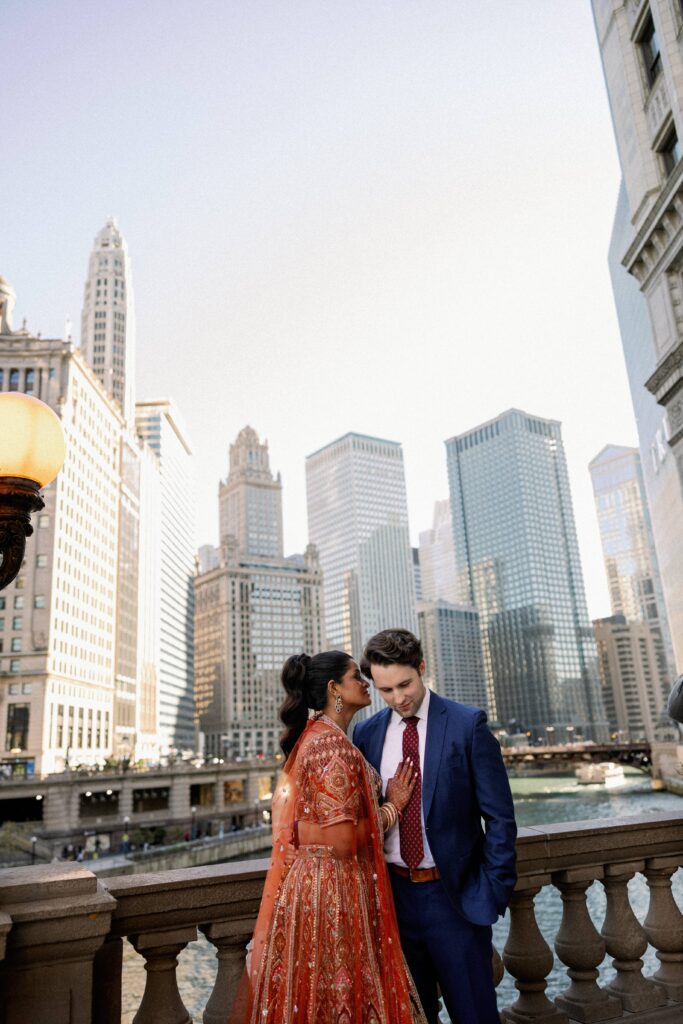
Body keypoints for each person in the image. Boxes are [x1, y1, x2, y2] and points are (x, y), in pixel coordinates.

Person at [233, 650, 427, 1024]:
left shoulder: (318, 737)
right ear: (333, 688)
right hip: (335, 893)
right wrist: (393, 807)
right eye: (356, 676)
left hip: (317, 886)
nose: (365, 682)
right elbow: (340, 841)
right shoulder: (332, 746)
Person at [354, 629, 517, 1024]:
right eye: (386, 690)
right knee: (413, 1017)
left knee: (474, 1015)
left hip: (455, 899)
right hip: (394, 902)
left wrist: (490, 891)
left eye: (405, 684)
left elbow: (500, 818)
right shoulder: (366, 733)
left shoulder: (467, 725)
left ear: (422, 668)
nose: (398, 698)